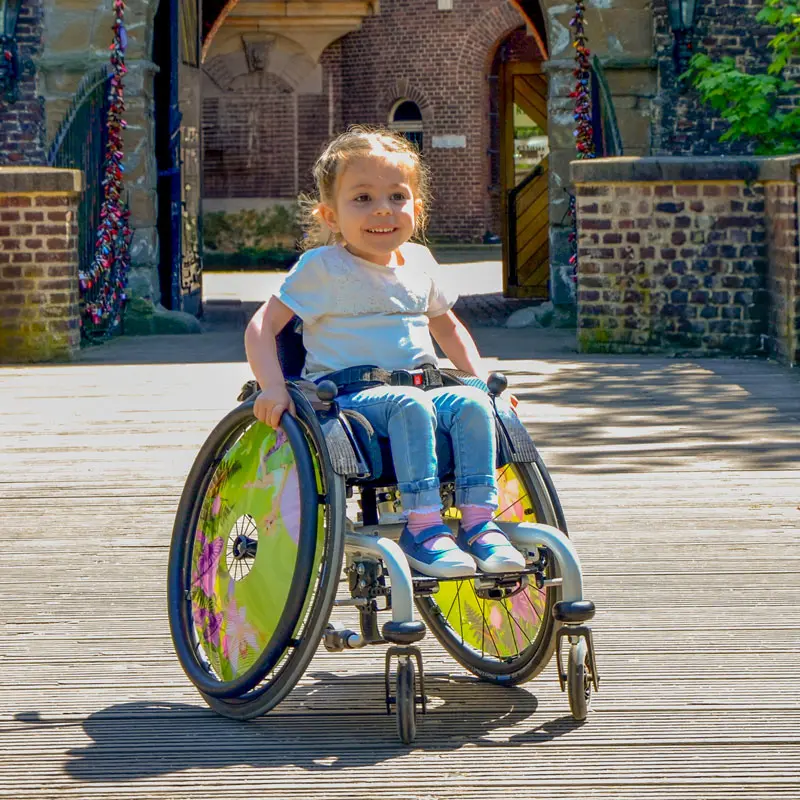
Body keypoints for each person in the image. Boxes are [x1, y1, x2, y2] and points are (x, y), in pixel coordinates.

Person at [244, 126, 525, 580]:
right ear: (330, 215)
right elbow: (261, 327)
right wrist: (272, 386)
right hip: (345, 399)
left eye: (397, 196)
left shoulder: (419, 262)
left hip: (422, 387)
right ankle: (423, 528)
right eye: (362, 199)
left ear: (417, 206)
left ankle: (477, 523)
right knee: (409, 403)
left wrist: (482, 381)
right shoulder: (321, 268)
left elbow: (449, 330)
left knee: (473, 403)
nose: (382, 210)